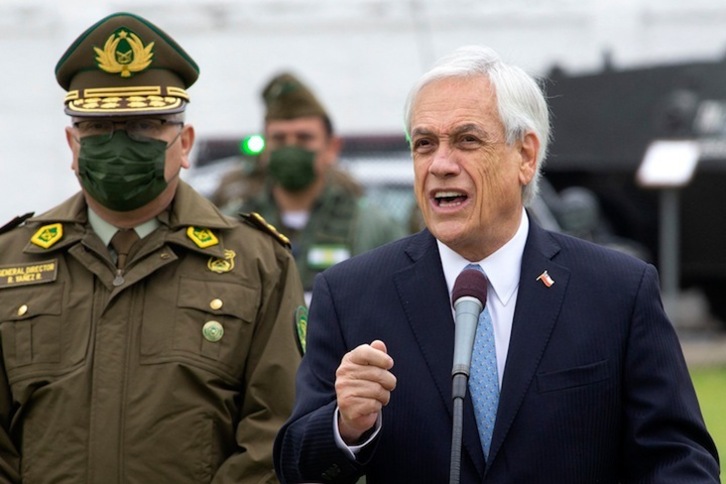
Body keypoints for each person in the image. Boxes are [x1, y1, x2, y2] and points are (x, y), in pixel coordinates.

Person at [273, 45, 721, 482]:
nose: (441, 164)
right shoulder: (352, 293)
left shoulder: (618, 290)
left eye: (467, 140)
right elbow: (296, 462)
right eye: (424, 144)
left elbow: (678, 460)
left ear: (525, 155)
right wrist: (346, 425)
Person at [0, 12, 305, 483]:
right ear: (72, 143)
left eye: (144, 126)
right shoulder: (10, 261)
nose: (120, 145)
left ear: (183, 143)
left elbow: (276, 427)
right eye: (98, 129)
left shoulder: (258, 263)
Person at [218, 72, 406, 298]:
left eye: (304, 138)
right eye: (279, 139)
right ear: (266, 147)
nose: (291, 148)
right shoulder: (233, 226)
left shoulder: (372, 227)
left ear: (331, 147)